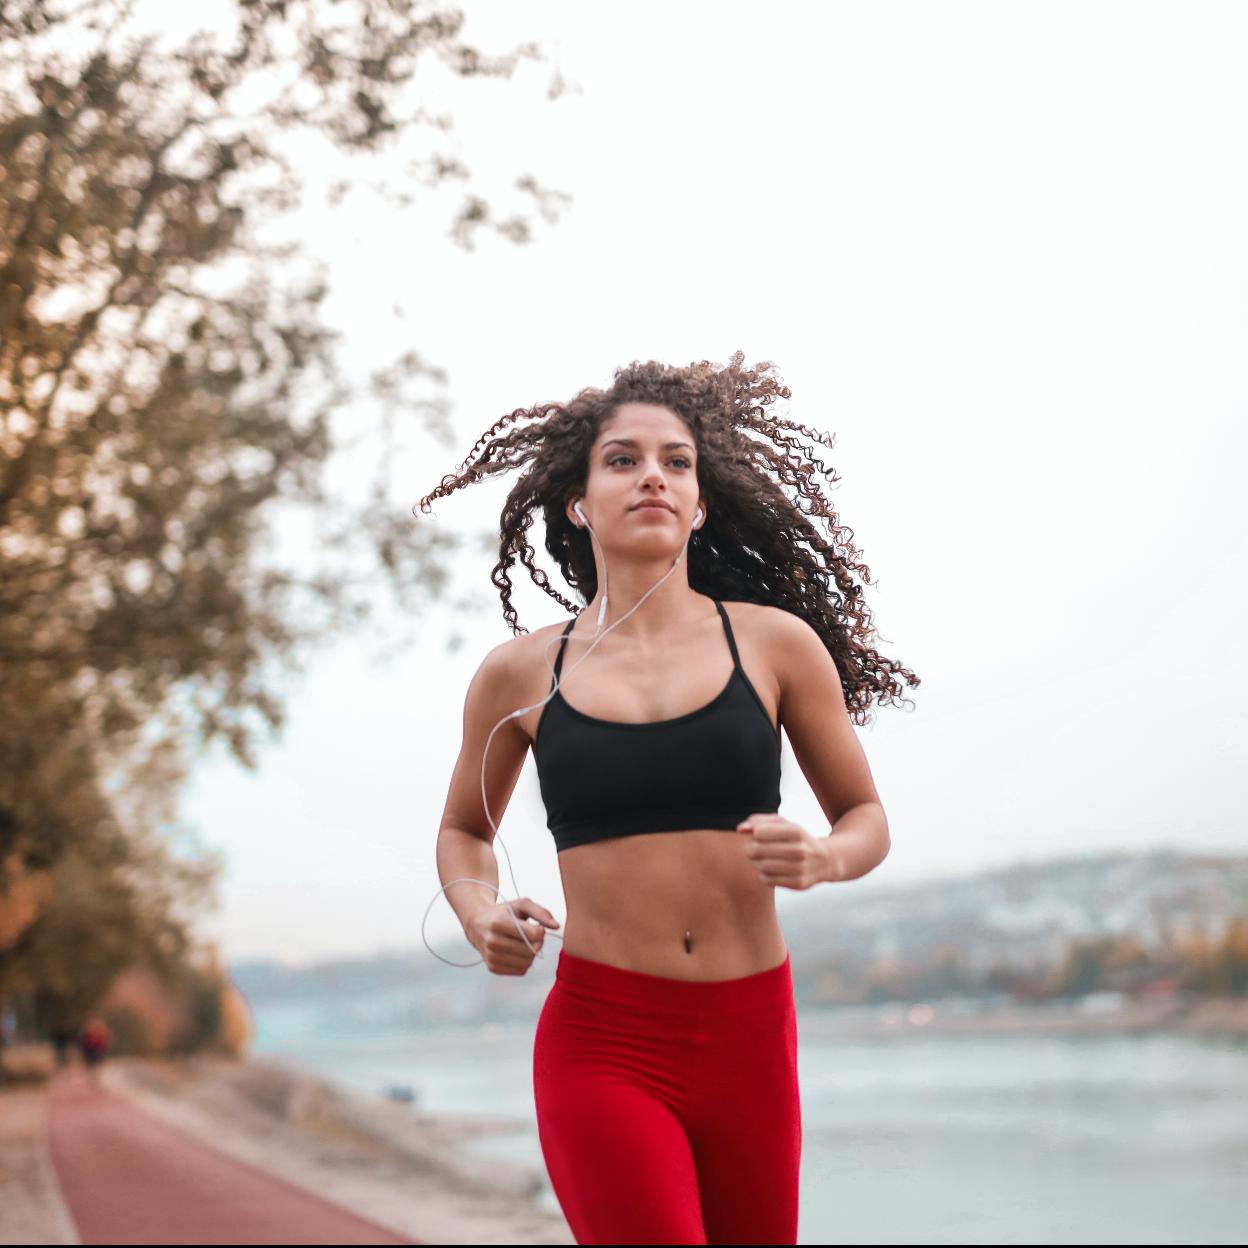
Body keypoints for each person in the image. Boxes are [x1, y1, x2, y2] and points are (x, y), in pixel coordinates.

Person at [420, 352, 917, 1245]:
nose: (652, 474)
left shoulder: (775, 646)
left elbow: (865, 818)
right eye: (621, 459)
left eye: (676, 461)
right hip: (604, 1041)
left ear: (700, 501)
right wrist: (477, 912)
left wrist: (824, 856)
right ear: (578, 501)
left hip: (750, 1037)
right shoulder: (520, 673)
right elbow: (464, 829)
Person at [77, 1016, 111, 1085]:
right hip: (92, 1050)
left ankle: (93, 1078)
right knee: (92, 1065)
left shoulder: (93, 1031)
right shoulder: (90, 1031)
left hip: (95, 1050)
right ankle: (92, 1078)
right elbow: (83, 1041)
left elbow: (105, 1041)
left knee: (93, 1065)